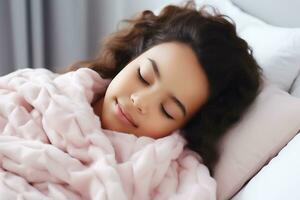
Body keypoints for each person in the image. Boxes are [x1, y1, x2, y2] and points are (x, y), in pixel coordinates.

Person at [67, 0, 263, 172]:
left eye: (167, 110)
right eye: (144, 76)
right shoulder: (47, 90)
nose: (140, 101)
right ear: (131, 57)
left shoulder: (157, 177)